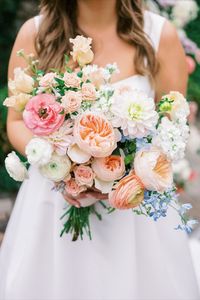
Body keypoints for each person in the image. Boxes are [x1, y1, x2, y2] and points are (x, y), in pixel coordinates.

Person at [0, 0, 199, 299]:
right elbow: (16, 120)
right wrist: (62, 163)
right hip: (55, 201)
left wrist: (123, 173)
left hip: (135, 210)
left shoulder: (160, 35)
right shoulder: (36, 34)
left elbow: (173, 126)